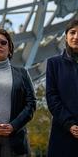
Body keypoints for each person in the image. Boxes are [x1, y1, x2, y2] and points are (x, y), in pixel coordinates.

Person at [0, 29, 36, 157]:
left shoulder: (22, 74)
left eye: (3, 42)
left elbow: (31, 103)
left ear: (10, 49)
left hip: (15, 139)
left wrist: (14, 125)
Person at [46, 19, 78, 157]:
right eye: (73, 32)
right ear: (66, 37)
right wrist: (69, 124)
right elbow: (52, 98)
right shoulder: (54, 64)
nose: (76, 37)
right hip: (63, 133)